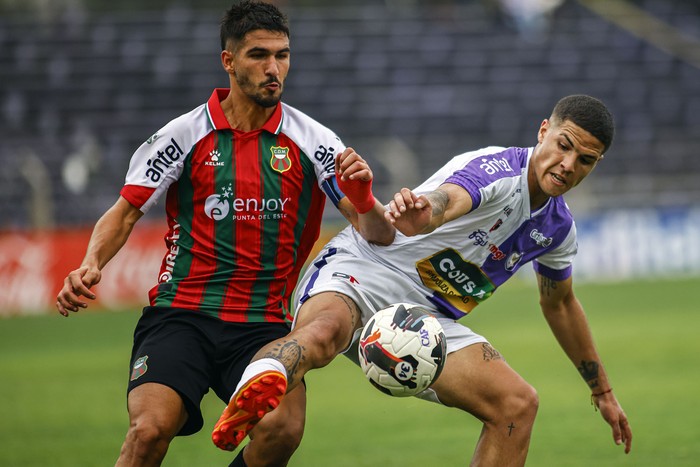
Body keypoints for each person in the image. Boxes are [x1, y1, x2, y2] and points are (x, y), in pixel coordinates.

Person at [55, 1, 393, 466]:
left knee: (283, 430)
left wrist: (366, 195)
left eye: (283, 55)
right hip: (182, 315)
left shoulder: (316, 142)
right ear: (228, 61)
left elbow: (375, 233)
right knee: (149, 432)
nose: (274, 68)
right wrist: (91, 263)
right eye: (259, 55)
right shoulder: (183, 135)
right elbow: (125, 212)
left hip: (263, 325)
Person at [218, 94, 633, 464]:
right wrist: (425, 213)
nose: (567, 166)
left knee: (517, 404)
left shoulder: (558, 229)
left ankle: (271, 373)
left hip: (424, 320)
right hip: (364, 269)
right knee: (326, 332)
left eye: (585, 160)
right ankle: (265, 375)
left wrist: (602, 391)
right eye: (563, 146)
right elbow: (448, 199)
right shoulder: (498, 171)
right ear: (544, 131)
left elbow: (559, 303)